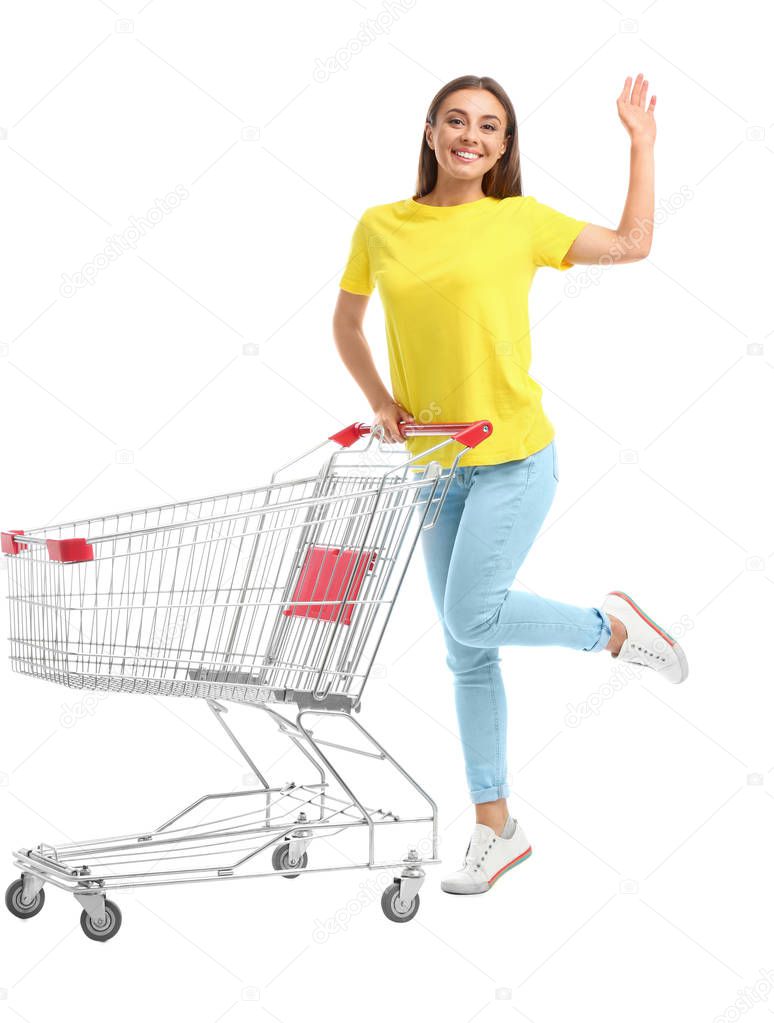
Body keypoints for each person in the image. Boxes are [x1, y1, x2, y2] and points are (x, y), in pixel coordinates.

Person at [332, 72, 688, 896]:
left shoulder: (518, 221)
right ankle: (496, 829)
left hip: (515, 459)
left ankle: (611, 627)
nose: (472, 136)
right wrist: (381, 401)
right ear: (430, 131)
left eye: (489, 127)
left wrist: (641, 145)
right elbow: (347, 322)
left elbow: (633, 245)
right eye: (456, 120)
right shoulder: (381, 226)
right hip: (433, 469)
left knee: (469, 613)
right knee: (468, 651)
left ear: (503, 145)